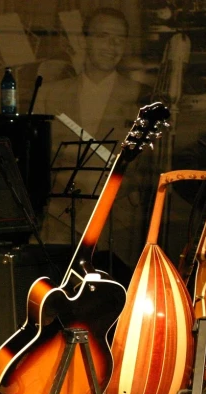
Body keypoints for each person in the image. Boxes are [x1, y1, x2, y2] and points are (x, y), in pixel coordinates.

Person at [34, 7, 153, 269]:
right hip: (58, 223)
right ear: (84, 41)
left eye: (120, 39)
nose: (112, 46)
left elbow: (146, 169)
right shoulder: (50, 94)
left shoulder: (142, 97)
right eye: (103, 36)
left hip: (115, 226)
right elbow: (36, 159)